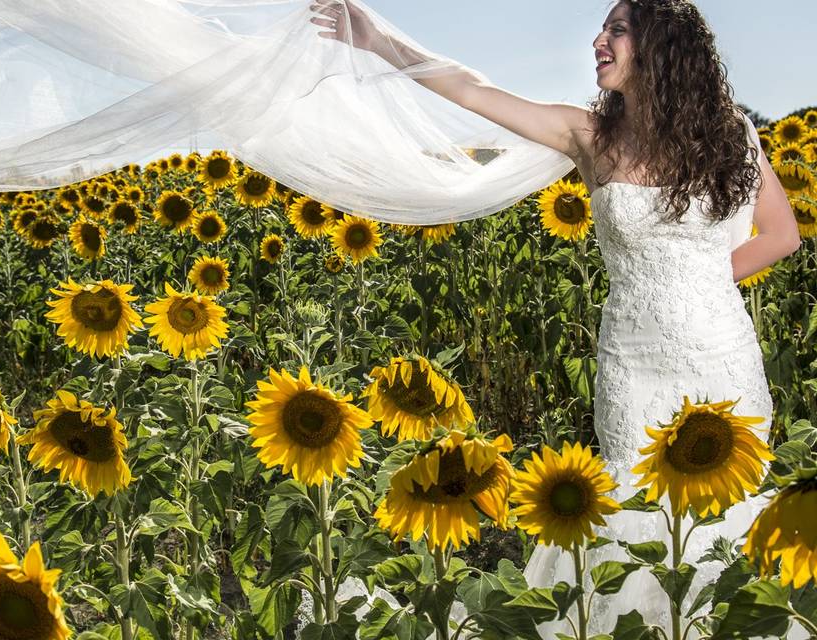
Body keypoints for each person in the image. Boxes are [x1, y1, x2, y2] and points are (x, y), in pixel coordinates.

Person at [312, 0, 805, 636]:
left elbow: (783, 233)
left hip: (722, 353)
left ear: (660, 47)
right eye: (603, 27)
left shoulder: (730, 135)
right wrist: (378, 38)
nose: (598, 40)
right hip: (635, 361)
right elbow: (473, 90)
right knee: (632, 506)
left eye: (618, 29)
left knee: (729, 511)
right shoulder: (589, 136)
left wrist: (697, 282)